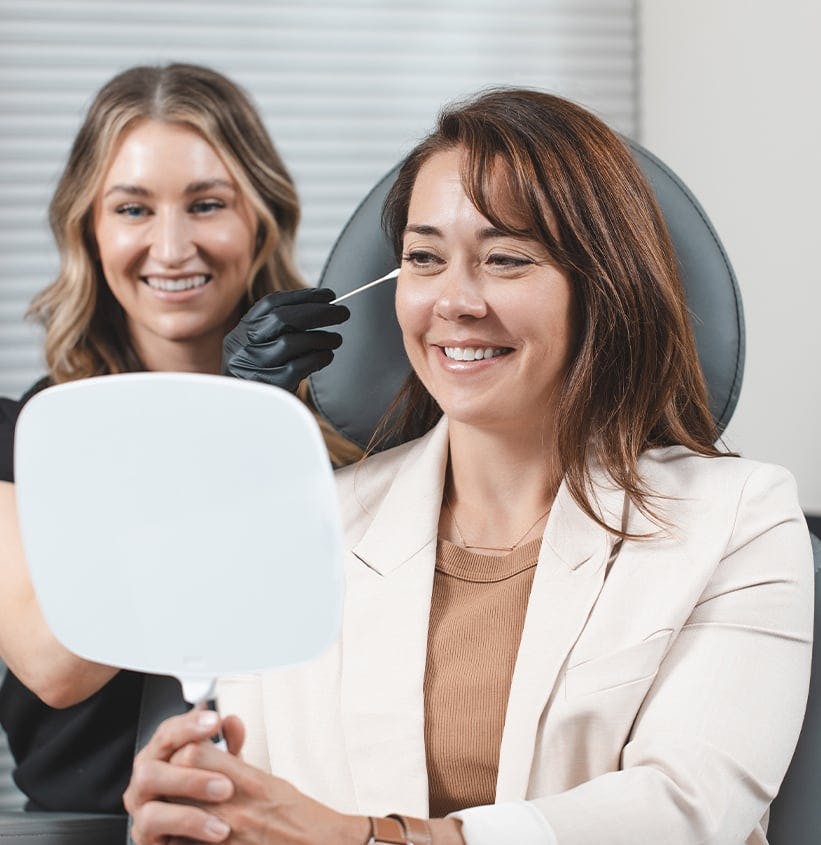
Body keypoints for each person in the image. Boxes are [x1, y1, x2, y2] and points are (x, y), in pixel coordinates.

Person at [128, 87, 814, 845]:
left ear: (605, 288)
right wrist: (197, 811)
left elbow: (685, 810)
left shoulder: (737, 517)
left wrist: (362, 839)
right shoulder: (300, 525)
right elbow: (248, 796)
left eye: (505, 259)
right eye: (423, 258)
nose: (453, 301)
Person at [0, 62, 360, 814]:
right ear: (88, 228)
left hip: (307, 824)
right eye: (132, 209)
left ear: (259, 217)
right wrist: (227, 435)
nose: (171, 248)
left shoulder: (349, 432)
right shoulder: (22, 440)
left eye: (206, 204)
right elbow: (55, 663)